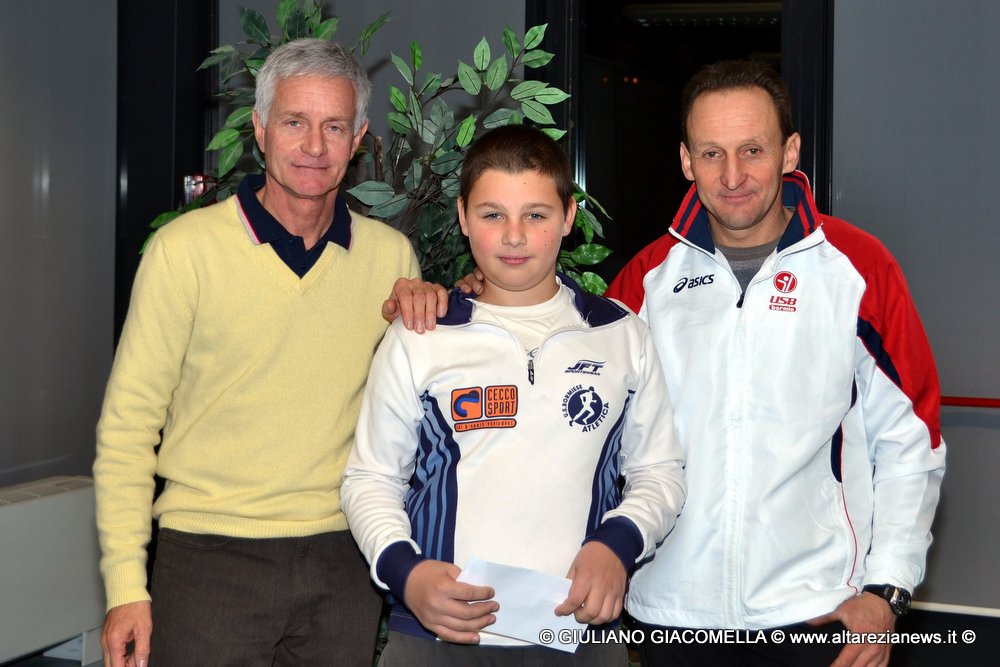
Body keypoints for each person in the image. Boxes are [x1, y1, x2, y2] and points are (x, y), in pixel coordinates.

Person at [93, 39, 437, 667]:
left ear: (358, 138)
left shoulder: (391, 259)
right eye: (294, 122)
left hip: (345, 561)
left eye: (334, 126)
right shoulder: (184, 252)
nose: (314, 146)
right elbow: (128, 426)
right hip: (208, 556)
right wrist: (125, 586)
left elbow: (415, 411)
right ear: (259, 129)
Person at [601, 60, 947, 666]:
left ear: (789, 151)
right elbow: (576, 412)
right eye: (712, 154)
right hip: (672, 614)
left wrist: (887, 590)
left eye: (752, 150)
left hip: (818, 611)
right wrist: (473, 298)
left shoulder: (859, 268)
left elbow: (910, 443)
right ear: (686, 161)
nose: (732, 176)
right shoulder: (645, 281)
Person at [342, 125, 687, 666]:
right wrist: (407, 574)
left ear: (568, 217)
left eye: (536, 215)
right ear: (462, 217)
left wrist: (617, 545)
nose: (514, 236)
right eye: (492, 215)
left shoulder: (621, 334)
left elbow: (659, 471)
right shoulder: (420, 335)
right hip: (438, 636)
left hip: (578, 632)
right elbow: (370, 478)